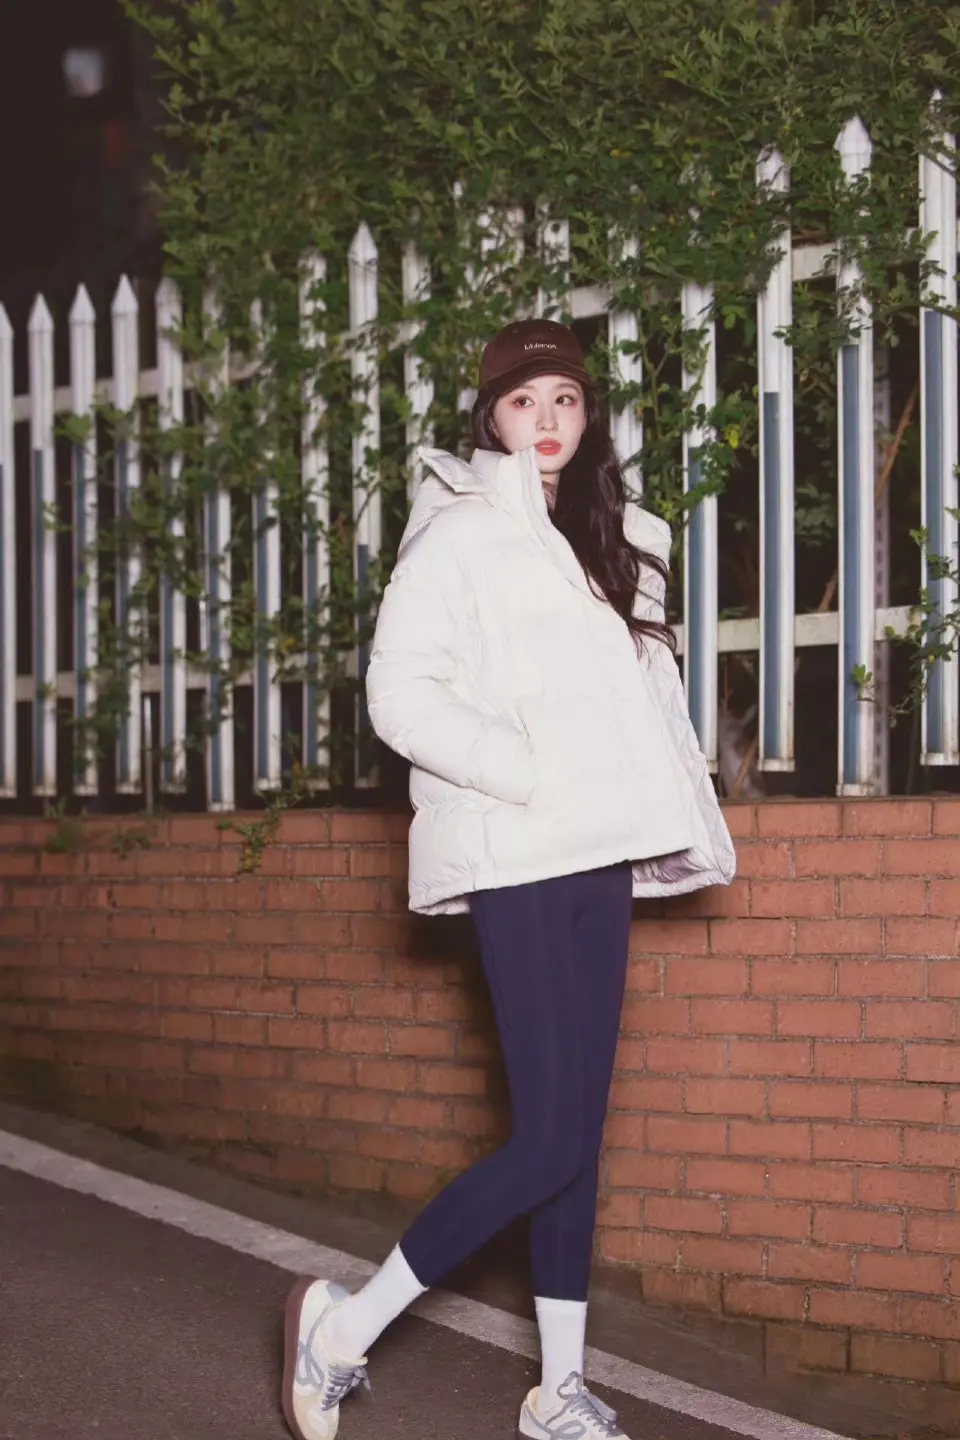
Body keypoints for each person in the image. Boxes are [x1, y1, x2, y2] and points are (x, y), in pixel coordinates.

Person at [281, 319, 736, 1440]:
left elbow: (649, 706)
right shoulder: (457, 533)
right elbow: (400, 693)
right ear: (491, 415)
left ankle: (556, 1392)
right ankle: (343, 1328)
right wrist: (523, 770)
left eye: (566, 401)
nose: (547, 421)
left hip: (600, 856)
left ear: (589, 417)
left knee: (575, 1142)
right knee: (545, 1143)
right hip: (519, 851)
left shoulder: (617, 540)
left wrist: (669, 808)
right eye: (525, 400)